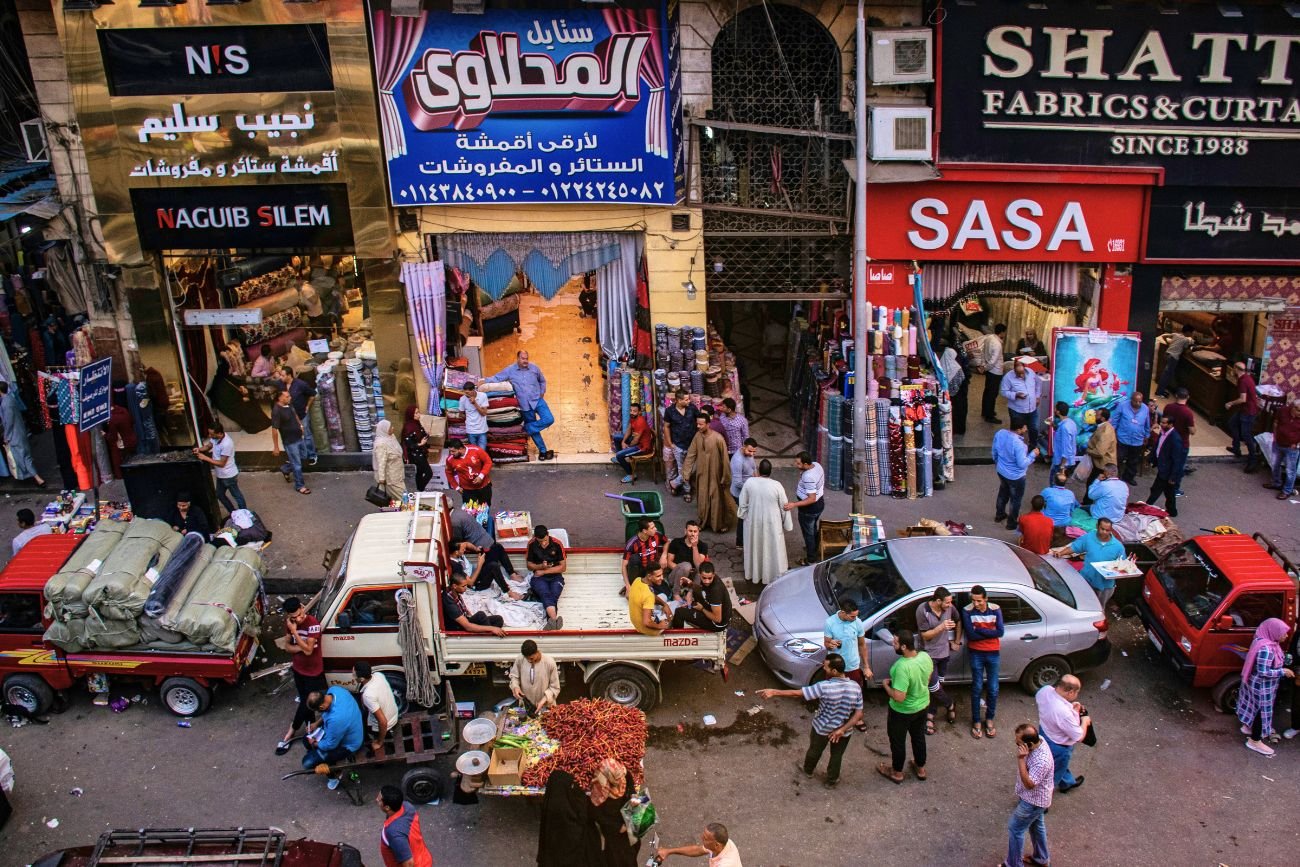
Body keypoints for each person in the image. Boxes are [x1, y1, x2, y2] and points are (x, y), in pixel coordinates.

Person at [758, 653, 863, 787]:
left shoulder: (824, 686)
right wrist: (841, 730)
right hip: (845, 732)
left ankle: (808, 770)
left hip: (822, 728)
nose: (824, 669)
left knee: (815, 750)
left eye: (826, 667)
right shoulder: (855, 687)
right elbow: (858, 714)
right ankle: (832, 781)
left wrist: (774, 692)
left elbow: (798, 693)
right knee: (836, 756)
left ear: (834, 671)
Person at [878, 629, 934, 784]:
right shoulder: (925, 656)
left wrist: (885, 686)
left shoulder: (901, 667)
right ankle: (920, 767)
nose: (893, 645)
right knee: (918, 737)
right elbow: (928, 679)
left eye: (895, 642)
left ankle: (897, 772)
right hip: (922, 706)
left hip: (902, 711)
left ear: (903, 647)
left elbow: (899, 697)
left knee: (898, 742)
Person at [1237, 618, 1294, 756]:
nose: (1286, 636)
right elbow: (1263, 671)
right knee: (1262, 713)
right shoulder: (1267, 649)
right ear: (1273, 632)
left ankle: (1248, 727)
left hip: (1253, 683)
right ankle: (1255, 741)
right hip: (1262, 687)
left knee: (1253, 706)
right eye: (1283, 633)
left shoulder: (1261, 640)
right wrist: (1283, 671)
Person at [277, 596, 326, 754]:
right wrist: (300, 647)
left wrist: (294, 634)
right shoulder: (290, 624)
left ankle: (291, 731)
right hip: (298, 669)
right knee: (306, 702)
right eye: (294, 617)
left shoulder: (312, 624)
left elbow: (309, 650)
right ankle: (310, 727)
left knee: (306, 702)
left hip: (313, 671)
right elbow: (287, 647)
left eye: (300, 614)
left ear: (302, 608)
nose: (298, 619)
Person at [486, 350, 555, 460]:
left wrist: (542, 391)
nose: (525, 361)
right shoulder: (510, 370)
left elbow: (542, 381)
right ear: (518, 358)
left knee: (549, 419)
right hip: (524, 405)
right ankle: (542, 451)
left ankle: (526, 429)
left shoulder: (534, 368)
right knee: (535, 431)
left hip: (537, 400)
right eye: (523, 358)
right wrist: (483, 381)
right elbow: (497, 378)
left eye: (526, 358)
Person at [1002, 723, 1054, 867]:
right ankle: (1041, 858)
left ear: (1029, 744)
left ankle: (1013, 864)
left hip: (1033, 801)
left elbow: (1029, 784)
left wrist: (1021, 759)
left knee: (1015, 828)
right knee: (1036, 826)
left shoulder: (1041, 761)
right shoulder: (1040, 739)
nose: (1016, 745)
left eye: (1018, 743)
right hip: (1037, 799)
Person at [1050, 517, 1125, 611]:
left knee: (1099, 608)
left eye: (1107, 530)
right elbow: (1075, 547)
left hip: (1105, 585)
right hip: (1086, 579)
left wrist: (1120, 569)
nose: (1105, 532)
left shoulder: (1118, 546)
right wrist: (1061, 553)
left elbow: (1122, 564)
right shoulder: (1089, 537)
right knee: (1082, 604)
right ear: (1097, 526)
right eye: (1102, 529)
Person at [737, 459, 792, 585]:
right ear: (770, 471)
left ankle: (754, 574)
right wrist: (786, 523)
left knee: (755, 547)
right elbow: (785, 506)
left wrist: (746, 517)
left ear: (759, 470)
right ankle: (773, 575)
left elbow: (742, 503)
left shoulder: (750, 483)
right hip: (772, 524)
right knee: (772, 549)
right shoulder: (777, 485)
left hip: (753, 523)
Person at [916, 587, 961, 732]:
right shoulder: (922, 610)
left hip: (944, 654)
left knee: (938, 686)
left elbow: (958, 620)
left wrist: (957, 640)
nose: (950, 605)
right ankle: (950, 704)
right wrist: (941, 627)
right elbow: (925, 636)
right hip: (928, 655)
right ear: (938, 601)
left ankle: (931, 713)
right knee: (933, 686)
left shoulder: (949, 607)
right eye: (947, 603)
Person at [1036, 674, 1090, 793]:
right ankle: (1040, 806)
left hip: (1044, 733)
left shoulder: (1044, 691)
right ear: (1070, 692)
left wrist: (1073, 710)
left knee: (1056, 765)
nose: (1077, 695)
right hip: (1058, 745)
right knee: (1052, 776)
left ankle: (1067, 782)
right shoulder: (1063, 712)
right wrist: (1085, 721)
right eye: (1077, 692)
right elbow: (1079, 736)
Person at [681, 410, 734, 531]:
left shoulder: (718, 439)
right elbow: (691, 454)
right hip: (702, 475)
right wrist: (686, 472)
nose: (698, 426)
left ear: (708, 424)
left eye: (701, 424)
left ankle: (718, 525)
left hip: (716, 475)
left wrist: (725, 477)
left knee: (716, 500)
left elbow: (725, 460)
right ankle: (703, 522)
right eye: (697, 424)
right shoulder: (697, 436)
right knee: (703, 499)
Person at [964, 585, 1004, 739]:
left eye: (979, 600)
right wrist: (989, 633)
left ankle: (989, 718)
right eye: (973, 600)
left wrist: (980, 630)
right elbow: (971, 635)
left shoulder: (995, 609)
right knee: (977, 687)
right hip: (976, 653)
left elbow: (1000, 632)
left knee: (993, 688)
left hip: (993, 653)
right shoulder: (967, 610)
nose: (976, 604)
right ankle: (976, 721)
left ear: (986, 598)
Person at [824, 598, 871, 726]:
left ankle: (857, 718)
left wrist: (866, 666)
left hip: (852, 666)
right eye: (852, 616)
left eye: (856, 615)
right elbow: (826, 643)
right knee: (832, 693)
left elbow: (862, 645)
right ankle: (833, 717)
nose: (855, 618)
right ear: (843, 613)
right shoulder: (830, 623)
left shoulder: (858, 623)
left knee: (855, 694)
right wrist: (830, 644)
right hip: (836, 666)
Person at [302, 686, 364, 782]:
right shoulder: (335, 690)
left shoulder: (336, 719)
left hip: (349, 745)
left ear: (322, 707)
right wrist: (316, 724)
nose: (319, 712)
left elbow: (330, 745)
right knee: (306, 740)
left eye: (318, 711)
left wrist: (315, 743)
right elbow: (326, 714)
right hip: (345, 730)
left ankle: (334, 775)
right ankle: (322, 758)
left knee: (307, 763)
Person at [992, 420, 1039, 531]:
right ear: (1018, 430)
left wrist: (998, 463)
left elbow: (994, 451)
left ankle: (999, 514)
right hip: (1016, 477)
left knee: (1003, 493)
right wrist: (1033, 454)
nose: (1026, 429)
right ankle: (1011, 523)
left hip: (1001, 471)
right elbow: (1022, 464)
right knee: (1015, 500)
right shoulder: (1018, 444)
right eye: (1024, 428)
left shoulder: (1000, 433)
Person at [194, 422, 247, 517]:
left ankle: (244, 514)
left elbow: (222, 463)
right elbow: (208, 446)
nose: (210, 436)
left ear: (219, 433)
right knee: (219, 494)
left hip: (228, 475)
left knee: (237, 495)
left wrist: (205, 458)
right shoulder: (215, 438)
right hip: (221, 475)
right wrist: (199, 449)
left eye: (211, 434)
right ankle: (233, 513)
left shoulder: (227, 444)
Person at [784, 451, 825, 565]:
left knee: (808, 534)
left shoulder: (808, 476)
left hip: (809, 509)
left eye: (798, 464)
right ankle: (813, 548)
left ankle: (811, 559)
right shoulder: (817, 465)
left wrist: (794, 504)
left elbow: (811, 498)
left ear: (806, 464)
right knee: (812, 529)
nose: (796, 466)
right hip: (819, 505)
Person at [0, 382, 44, 487]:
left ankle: (38, 478)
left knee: (23, 457)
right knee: (25, 456)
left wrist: (6, 436)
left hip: (14, 435)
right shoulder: (10, 399)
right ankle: (34, 477)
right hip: (20, 431)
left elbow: (8, 421)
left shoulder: (5, 403)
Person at [378, 785, 434, 867]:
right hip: (424, 858)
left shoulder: (394, 833)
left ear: (387, 807)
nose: (376, 799)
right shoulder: (407, 807)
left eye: (379, 800)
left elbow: (409, 864)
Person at [441, 569, 506, 636]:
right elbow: (467, 626)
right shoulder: (449, 601)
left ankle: (487, 634)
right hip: (458, 627)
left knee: (498, 619)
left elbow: (466, 612)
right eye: (463, 586)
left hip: (465, 619)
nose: (466, 588)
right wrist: (492, 628)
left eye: (466, 585)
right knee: (481, 615)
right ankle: (488, 639)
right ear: (454, 586)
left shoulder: (453, 591)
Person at [270, 389, 310, 495]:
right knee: (297, 465)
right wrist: (276, 447)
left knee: (304, 456)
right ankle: (299, 485)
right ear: (280, 398)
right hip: (290, 441)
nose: (290, 398)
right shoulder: (276, 411)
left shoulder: (289, 405)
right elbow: (274, 430)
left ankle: (286, 468)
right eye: (287, 396)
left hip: (298, 437)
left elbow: (294, 414)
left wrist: (300, 425)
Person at [354, 662, 399, 757]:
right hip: (394, 713)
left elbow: (383, 722)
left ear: (361, 679)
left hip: (385, 724)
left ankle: (376, 751)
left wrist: (379, 742)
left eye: (354, 674)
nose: (352, 675)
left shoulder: (368, 695)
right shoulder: (378, 675)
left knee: (362, 726)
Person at [526, 525, 566, 631]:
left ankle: (551, 623)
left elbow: (563, 567)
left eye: (544, 540)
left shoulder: (557, 544)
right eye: (540, 541)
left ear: (548, 534)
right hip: (539, 578)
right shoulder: (531, 544)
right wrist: (540, 566)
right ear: (535, 538)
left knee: (553, 595)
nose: (543, 543)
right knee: (546, 593)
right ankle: (554, 620)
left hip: (555, 577)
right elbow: (529, 565)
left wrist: (544, 571)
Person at [671, 562, 731, 631]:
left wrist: (702, 609)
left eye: (709, 578)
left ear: (713, 575)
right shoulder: (711, 578)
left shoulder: (715, 592)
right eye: (704, 578)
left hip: (718, 624)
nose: (707, 581)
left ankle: (678, 637)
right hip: (714, 610)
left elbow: (717, 619)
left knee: (679, 612)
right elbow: (702, 589)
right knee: (694, 595)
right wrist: (690, 584)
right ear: (699, 574)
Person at [1147, 415, 1188, 517]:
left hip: (1167, 471)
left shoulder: (1175, 439)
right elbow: (1158, 447)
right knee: (1169, 492)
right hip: (1163, 468)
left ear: (1170, 424)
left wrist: (1173, 476)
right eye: (1161, 422)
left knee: (1155, 490)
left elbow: (1177, 460)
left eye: (1164, 423)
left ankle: (1146, 508)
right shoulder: (1163, 433)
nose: (1161, 424)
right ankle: (1172, 511)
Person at [1226, 359, 1261, 471]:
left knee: (1246, 435)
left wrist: (1230, 403)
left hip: (1248, 411)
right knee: (1232, 423)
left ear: (1236, 369)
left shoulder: (1242, 381)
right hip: (1246, 409)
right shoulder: (1247, 378)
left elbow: (1243, 399)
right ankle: (1236, 448)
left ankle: (1253, 459)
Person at [662, 391, 699, 497]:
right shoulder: (670, 411)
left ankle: (675, 483)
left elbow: (699, 420)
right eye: (686, 399)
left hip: (692, 444)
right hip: (678, 445)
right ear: (679, 400)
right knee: (681, 468)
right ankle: (687, 491)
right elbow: (666, 427)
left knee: (692, 468)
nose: (689, 401)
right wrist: (670, 443)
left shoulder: (692, 408)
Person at [1000, 358, 1042, 452]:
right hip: (1017, 410)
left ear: (1025, 367)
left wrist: (1038, 396)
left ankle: (1032, 447)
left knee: (1034, 429)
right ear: (1014, 368)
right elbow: (1003, 392)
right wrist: (1015, 395)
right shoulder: (1008, 377)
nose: (1021, 375)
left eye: (1022, 373)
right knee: (1017, 431)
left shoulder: (1031, 372)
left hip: (1032, 408)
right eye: (1019, 373)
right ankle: (1016, 449)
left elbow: (1038, 384)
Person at [510, 639, 561, 713]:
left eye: (531, 658)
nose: (529, 661)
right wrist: (515, 687)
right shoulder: (520, 659)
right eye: (527, 659)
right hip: (526, 707)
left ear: (537, 652)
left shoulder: (549, 662)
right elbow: (514, 676)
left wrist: (543, 701)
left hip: (545, 707)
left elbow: (555, 687)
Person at [656, 823, 742, 867]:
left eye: (705, 838)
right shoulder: (724, 843)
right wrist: (669, 851)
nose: (701, 838)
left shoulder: (726, 864)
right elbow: (697, 850)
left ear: (716, 845)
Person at [1265, 393, 1300, 500]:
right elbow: (1276, 422)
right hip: (1278, 443)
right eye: (1299, 411)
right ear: (1293, 408)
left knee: (1290, 470)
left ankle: (1287, 490)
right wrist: (1275, 436)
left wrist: (1298, 444)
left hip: (1291, 447)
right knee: (1275, 464)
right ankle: (1276, 483)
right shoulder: (1283, 410)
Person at [1112, 390, 1151, 485]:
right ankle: (1116, 477)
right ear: (1131, 400)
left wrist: (1147, 435)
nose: (1138, 403)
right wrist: (1113, 433)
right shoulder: (1122, 406)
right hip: (1123, 438)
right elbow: (1115, 420)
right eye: (1135, 401)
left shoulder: (1145, 408)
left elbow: (1147, 423)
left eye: (1140, 401)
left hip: (1137, 440)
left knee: (1133, 460)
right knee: (1119, 458)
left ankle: (1128, 477)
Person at [621, 518, 667, 595]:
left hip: (653, 569)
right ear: (645, 531)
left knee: (665, 592)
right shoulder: (632, 543)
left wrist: (664, 555)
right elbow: (624, 566)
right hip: (641, 571)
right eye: (652, 528)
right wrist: (628, 585)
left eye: (654, 526)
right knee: (634, 559)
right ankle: (633, 585)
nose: (655, 529)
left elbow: (667, 542)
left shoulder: (657, 535)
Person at [611, 402, 652, 484]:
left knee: (619, 455)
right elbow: (629, 430)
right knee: (616, 437)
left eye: (634, 411)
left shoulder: (640, 422)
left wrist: (627, 446)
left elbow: (636, 440)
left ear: (639, 412)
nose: (632, 412)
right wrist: (623, 442)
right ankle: (621, 457)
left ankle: (631, 474)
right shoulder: (633, 418)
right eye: (631, 410)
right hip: (636, 442)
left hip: (642, 447)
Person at [446, 438, 492, 508]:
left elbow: (488, 462)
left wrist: (481, 476)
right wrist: (456, 487)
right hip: (467, 490)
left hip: (483, 486)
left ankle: (484, 518)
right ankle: (478, 518)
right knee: (471, 509)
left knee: (485, 508)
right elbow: (448, 473)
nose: (451, 454)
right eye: (450, 451)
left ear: (461, 449)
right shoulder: (450, 459)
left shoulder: (476, 450)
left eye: (453, 451)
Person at [729, 438, 758, 548]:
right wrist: (753, 487)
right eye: (750, 451)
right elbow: (737, 483)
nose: (752, 454)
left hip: (749, 489)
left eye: (754, 451)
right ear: (743, 446)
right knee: (743, 516)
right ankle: (740, 542)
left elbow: (754, 468)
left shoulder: (750, 454)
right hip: (739, 493)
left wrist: (758, 480)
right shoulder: (738, 461)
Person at [628, 564, 671, 635]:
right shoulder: (648, 596)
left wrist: (664, 604)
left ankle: (661, 611)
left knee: (663, 597)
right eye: (658, 576)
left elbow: (651, 595)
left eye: (662, 575)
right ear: (649, 576)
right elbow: (647, 622)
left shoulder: (637, 580)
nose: (662, 578)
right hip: (648, 630)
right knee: (674, 611)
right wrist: (660, 625)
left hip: (637, 622)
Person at [1082, 407, 1117, 495]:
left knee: (1092, 484)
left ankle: (1087, 503)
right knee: (1091, 483)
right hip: (1100, 464)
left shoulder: (1106, 431)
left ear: (1103, 418)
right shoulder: (1103, 427)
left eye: (1097, 415)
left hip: (1104, 465)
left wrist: (1088, 451)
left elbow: (1099, 452)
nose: (1094, 417)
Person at [1156, 323, 1196, 397]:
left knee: (1166, 374)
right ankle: (1159, 392)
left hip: (1167, 354)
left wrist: (1168, 343)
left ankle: (1161, 390)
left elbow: (1164, 336)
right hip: (1173, 357)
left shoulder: (1176, 334)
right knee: (1167, 375)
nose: (1192, 334)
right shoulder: (1186, 340)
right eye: (1192, 333)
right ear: (1188, 332)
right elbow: (1186, 350)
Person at [371, 419, 407, 501]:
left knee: (395, 499)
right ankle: (409, 511)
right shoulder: (381, 445)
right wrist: (382, 479)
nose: (393, 428)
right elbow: (381, 462)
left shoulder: (390, 437)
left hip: (397, 475)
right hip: (391, 478)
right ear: (384, 429)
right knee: (405, 498)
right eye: (390, 427)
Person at [979, 323, 1007, 424]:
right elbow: (993, 361)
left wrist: (983, 365)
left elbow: (982, 351)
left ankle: (985, 411)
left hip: (990, 371)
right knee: (992, 394)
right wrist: (985, 368)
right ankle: (989, 415)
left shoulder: (989, 338)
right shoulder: (998, 344)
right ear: (1002, 332)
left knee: (987, 392)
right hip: (995, 371)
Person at [288, 370, 319, 464]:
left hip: (302, 414)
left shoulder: (300, 384)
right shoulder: (281, 385)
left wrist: (307, 406)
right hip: (289, 416)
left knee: (307, 435)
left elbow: (313, 394)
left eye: (282, 375)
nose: (280, 377)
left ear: (288, 375)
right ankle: (298, 455)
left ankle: (312, 455)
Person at [938, 341, 968, 436]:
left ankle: (953, 429)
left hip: (951, 397)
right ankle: (960, 429)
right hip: (961, 396)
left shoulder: (942, 365)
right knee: (960, 411)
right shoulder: (958, 368)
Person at [401, 406, 432, 494]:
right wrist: (420, 444)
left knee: (420, 472)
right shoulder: (408, 427)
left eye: (418, 412)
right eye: (416, 413)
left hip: (421, 452)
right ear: (411, 415)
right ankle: (421, 489)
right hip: (416, 455)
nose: (419, 414)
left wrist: (427, 435)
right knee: (428, 473)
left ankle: (419, 490)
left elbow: (421, 436)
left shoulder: (416, 424)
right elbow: (409, 444)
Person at [1040, 471, 1078, 539]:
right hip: (1064, 523)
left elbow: (1039, 502)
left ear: (1054, 481)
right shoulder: (1070, 493)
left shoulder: (1047, 491)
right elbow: (1072, 510)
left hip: (1048, 522)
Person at [459, 381, 490, 450]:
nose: (466, 394)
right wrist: (468, 418)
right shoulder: (462, 399)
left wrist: (474, 403)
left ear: (473, 390)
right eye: (465, 392)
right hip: (470, 430)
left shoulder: (483, 396)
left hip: (482, 429)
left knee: (482, 451)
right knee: (473, 451)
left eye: (468, 393)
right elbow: (460, 414)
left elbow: (484, 413)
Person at [1051, 401, 1078, 473]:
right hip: (1066, 462)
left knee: (1055, 483)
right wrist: (1053, 426)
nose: (1054, 411)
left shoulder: (1064, 427)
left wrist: (1062, 466)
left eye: (1055, 409)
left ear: (1058, 412)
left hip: (1061, 462)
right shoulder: (1071, 423)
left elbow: (1067, 448)